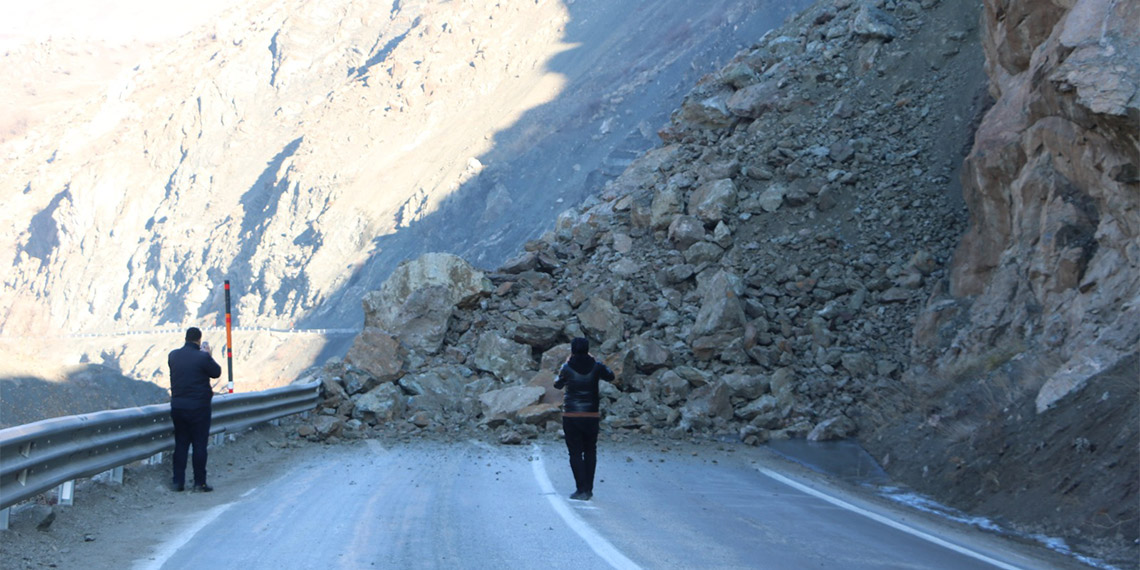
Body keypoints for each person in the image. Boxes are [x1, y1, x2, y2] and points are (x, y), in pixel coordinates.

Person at [554, 337, 615, 501]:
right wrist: (596, 360)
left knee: (575, 452)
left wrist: (565, 364)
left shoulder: (567, 367)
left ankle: (580, 489)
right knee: (590, 450)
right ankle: (588, 489)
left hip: (572, 415)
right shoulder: (596, 366)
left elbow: (557, 384)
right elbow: (611, 376)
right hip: (591, 414)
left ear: (572, 350)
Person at [169, 327, 222, 492]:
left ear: (185, 338)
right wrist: (208, 355)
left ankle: (178, 482)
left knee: (181, 444)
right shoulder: (203, 357)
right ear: (199, 340)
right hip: (199, 408)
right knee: (199, 445)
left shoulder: (173, 355)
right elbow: (216, 372)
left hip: (178, 407)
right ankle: (200, 482)